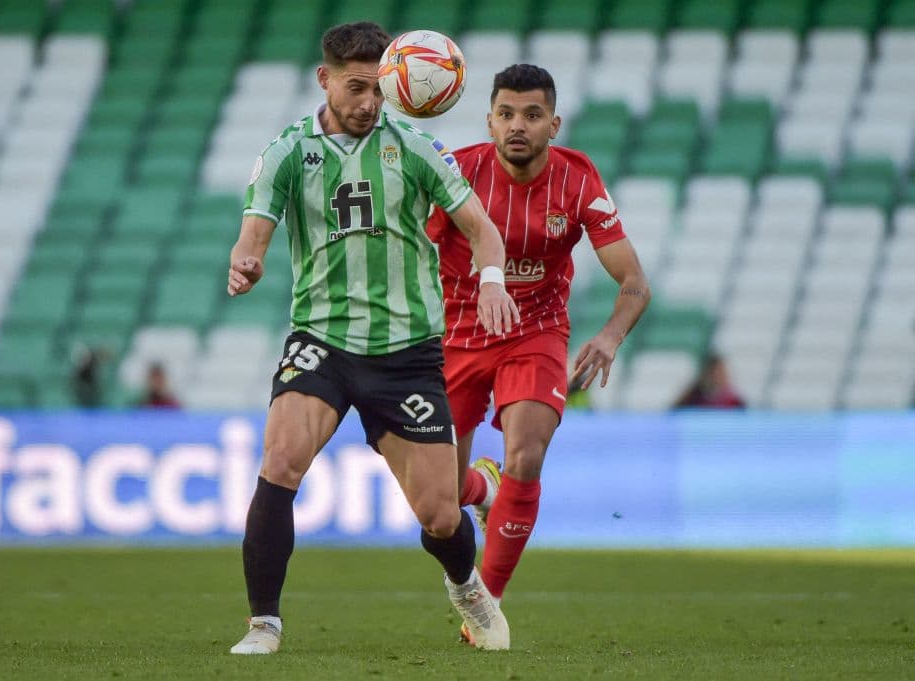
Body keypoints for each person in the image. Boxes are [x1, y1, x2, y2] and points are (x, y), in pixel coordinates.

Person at [225, 22, 520, 655]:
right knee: (279, 463)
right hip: (322, 340)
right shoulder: (286, 151)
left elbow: (482, 229)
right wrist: (246, 262)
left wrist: (493, 282)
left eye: (378, 90)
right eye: (356, 88)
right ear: (324, 79)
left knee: (439, 514)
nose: (368, 103)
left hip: (406, 352)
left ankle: (466, 585)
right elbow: (253, 235)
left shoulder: (415, 147)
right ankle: (263, 624)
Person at [425, 64, 651, 643]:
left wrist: (609, 336)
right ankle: (483, 490)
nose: (517, 126)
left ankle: (487, 604)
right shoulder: (458, 173)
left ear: (554, 123)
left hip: (536, 332)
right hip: (457, 335)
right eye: (505, 114)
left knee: (526, 455)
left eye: (531, 115)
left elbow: (633, 282)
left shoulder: (578, 179)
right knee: (439, 500)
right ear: (490, 122)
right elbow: (410, 253)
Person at [674, 353, 746, 408]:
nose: (722, 376)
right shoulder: (693, 397)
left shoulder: (734, 401)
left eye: (723, 372)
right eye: (718, 372)